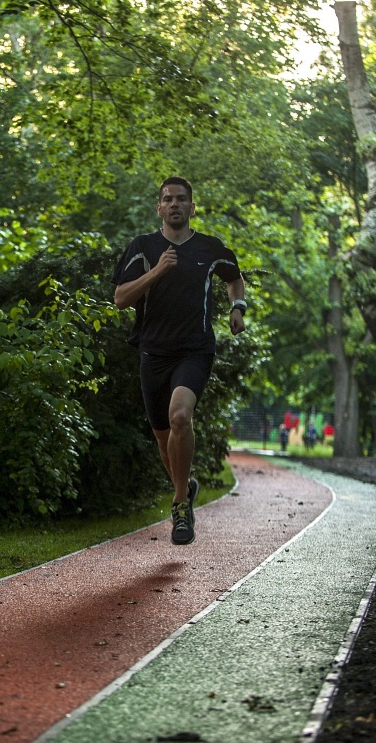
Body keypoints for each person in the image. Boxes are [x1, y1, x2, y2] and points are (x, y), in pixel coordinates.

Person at [112, 176, 246, 545]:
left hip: (195, 350)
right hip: (153, 353)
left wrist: (238, 306)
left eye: (181, 199)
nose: (174, 204)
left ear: (191, 207)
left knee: (180, 417)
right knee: (162, 436)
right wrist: (157, 271)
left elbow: (234, 278)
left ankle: (180, 507)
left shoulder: (209, 247)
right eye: (167, 199)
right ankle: (185, 487)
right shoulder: (143, 248)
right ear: (159, 207)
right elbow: (121, 298)